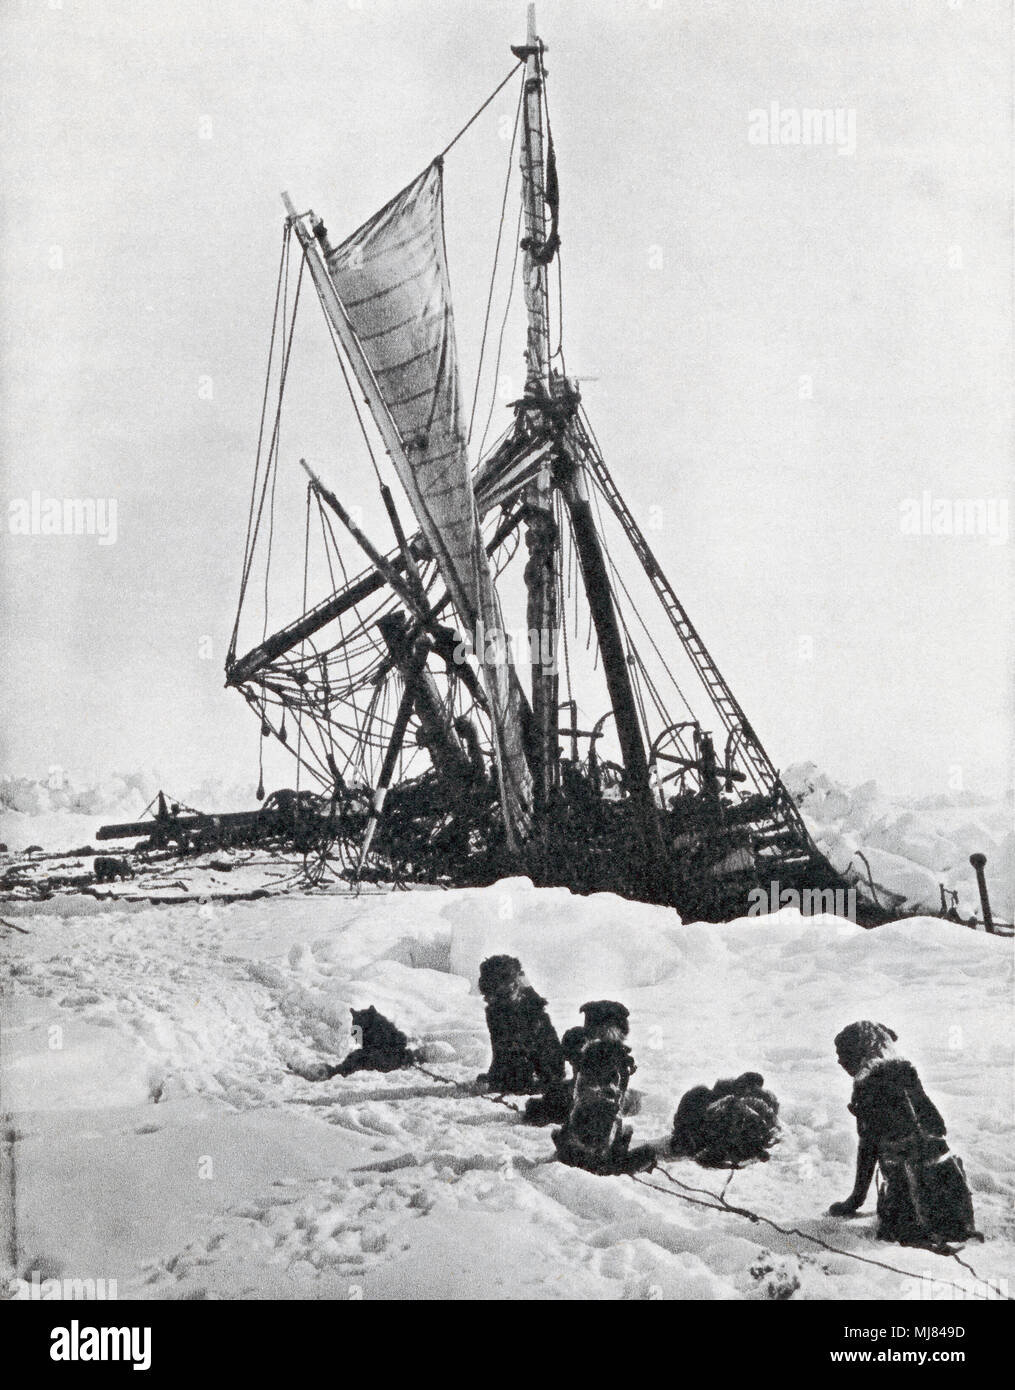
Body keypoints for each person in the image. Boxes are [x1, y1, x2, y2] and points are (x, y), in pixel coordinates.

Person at [828, 1021, 979, 1247]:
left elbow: (869, 1148)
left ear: (859, 1051)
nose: (839, 1060)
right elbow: (937, 1125)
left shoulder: (868, 1083)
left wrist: (855, 1201)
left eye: (843, 1054)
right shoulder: (905, 1072)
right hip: (953, 1205)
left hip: (910, 1209)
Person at [476, 955, 565, 1094]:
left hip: (542, 1069)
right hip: (519, 1060)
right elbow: (500, 1046)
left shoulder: (529, 1009)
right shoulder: (496, 1008)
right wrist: (495, 1074)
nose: (488, 999)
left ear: (515, 982)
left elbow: (529, 1049)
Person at [670, 1071, 779, 1167]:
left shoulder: (758, 1104)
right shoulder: (714, 1098)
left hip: (714, 1136)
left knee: (734, 1108)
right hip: (702, 1133)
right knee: (730, 1104)